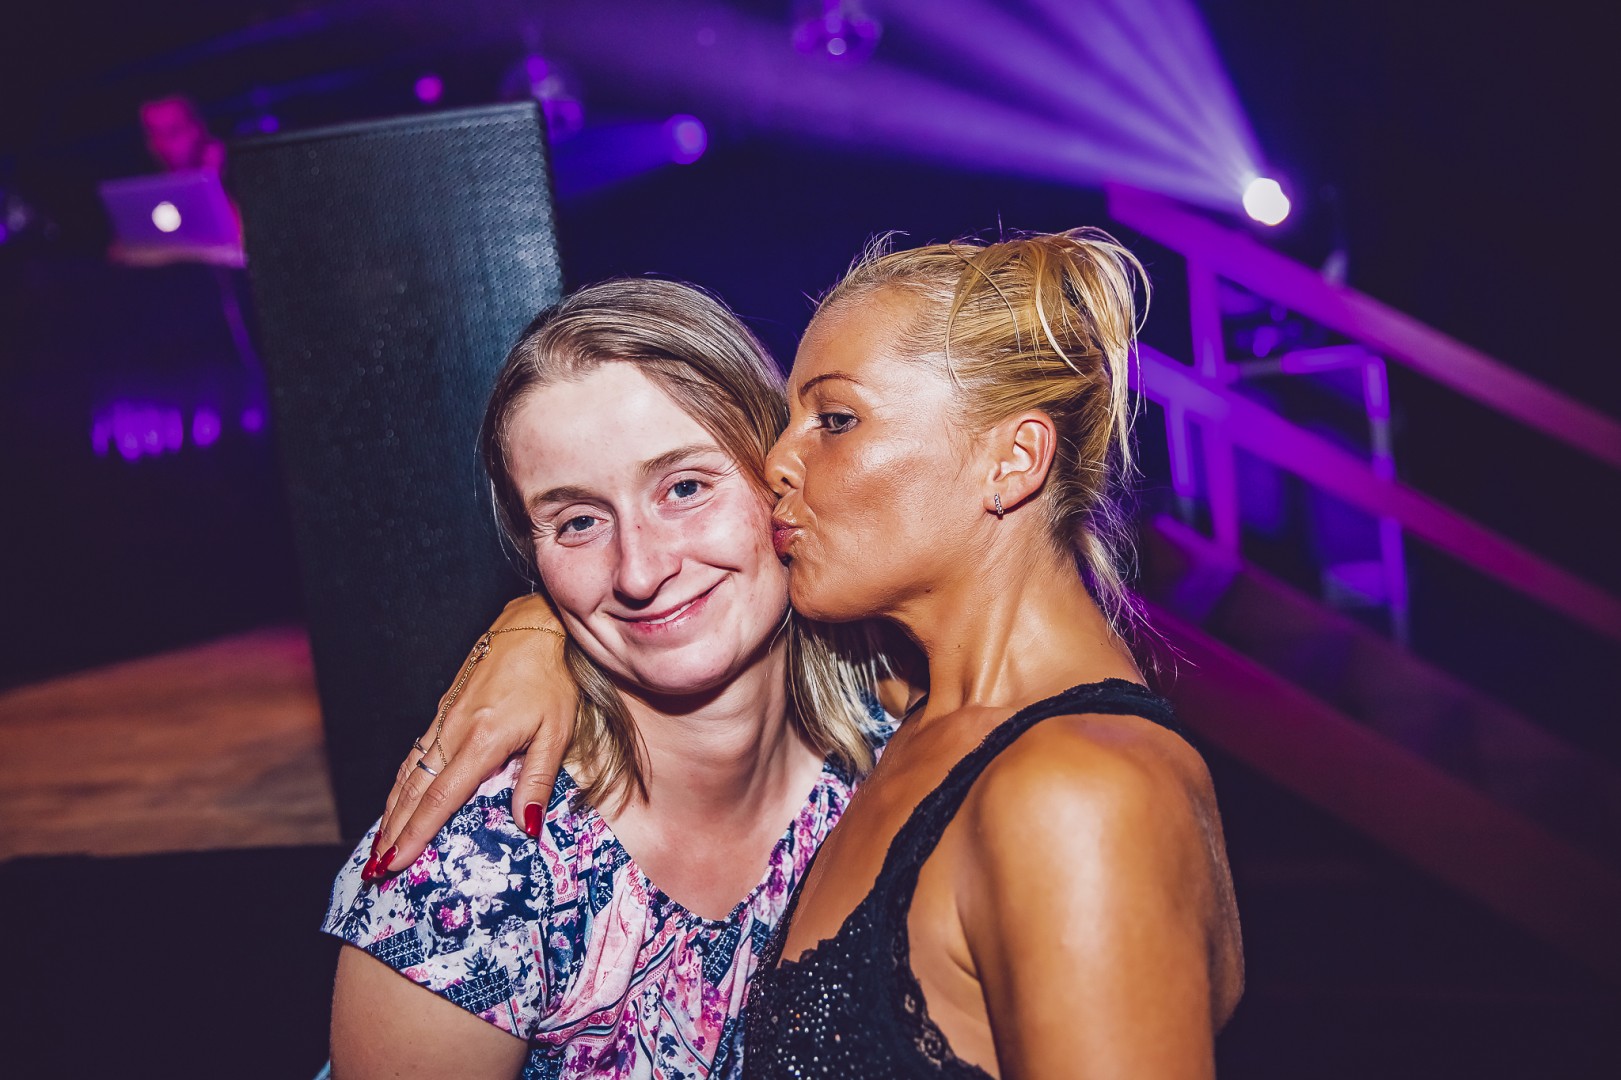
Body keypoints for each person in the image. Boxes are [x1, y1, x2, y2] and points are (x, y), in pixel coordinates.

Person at [370, 229, 1243, 1076]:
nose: (778, 462)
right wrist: (533, 625)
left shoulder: (1075, 793)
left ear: (1012, 461)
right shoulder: (901, 722)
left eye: (833, 419)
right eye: (575, 522)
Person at [322, 278, 891, 1079]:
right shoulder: (476, 872)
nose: (639, 570)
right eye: (579, 521)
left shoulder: (896, 762)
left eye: (685, 488)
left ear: (782, 479)